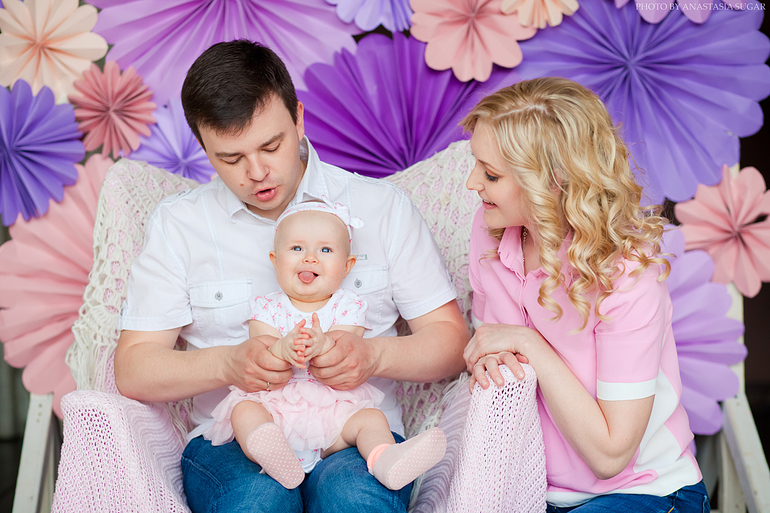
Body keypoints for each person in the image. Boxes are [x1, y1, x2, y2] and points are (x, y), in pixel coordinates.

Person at [114, 40, 468, 513]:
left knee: (353, 500)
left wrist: (374, 355)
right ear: (203, 146)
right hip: (234, 441)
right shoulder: (178, 226)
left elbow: (450, 343)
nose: (257, 172)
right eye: (231, 158)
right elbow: (133, 368)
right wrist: (227, 365)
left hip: (355, 436)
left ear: (298, 118)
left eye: (271, 145)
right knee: (258, 500)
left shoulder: (382, 209)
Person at [461, 77, 709, 512]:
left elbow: (610, 456)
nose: (471, 183)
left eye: (491, 174)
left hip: (640, 492)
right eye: (476, 165)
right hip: (529, 489)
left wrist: (528, 343)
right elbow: (492, 360)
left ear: (553, 181)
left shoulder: (626, 274)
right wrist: (487, 359)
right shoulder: (490, 231)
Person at [202, 201, 446, 490]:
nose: (310, 258)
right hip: (274, 408)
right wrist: (283, 348)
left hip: (332, 412)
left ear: (347, 266)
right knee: (243, 411)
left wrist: (324, 344)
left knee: (371, 418)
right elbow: (262, 354)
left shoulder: (348, 306)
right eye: (297, 248)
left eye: (325, 250)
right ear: (275, 260)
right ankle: (271, 454)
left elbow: (344, 351)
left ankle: (385, 458)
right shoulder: (266, 307)